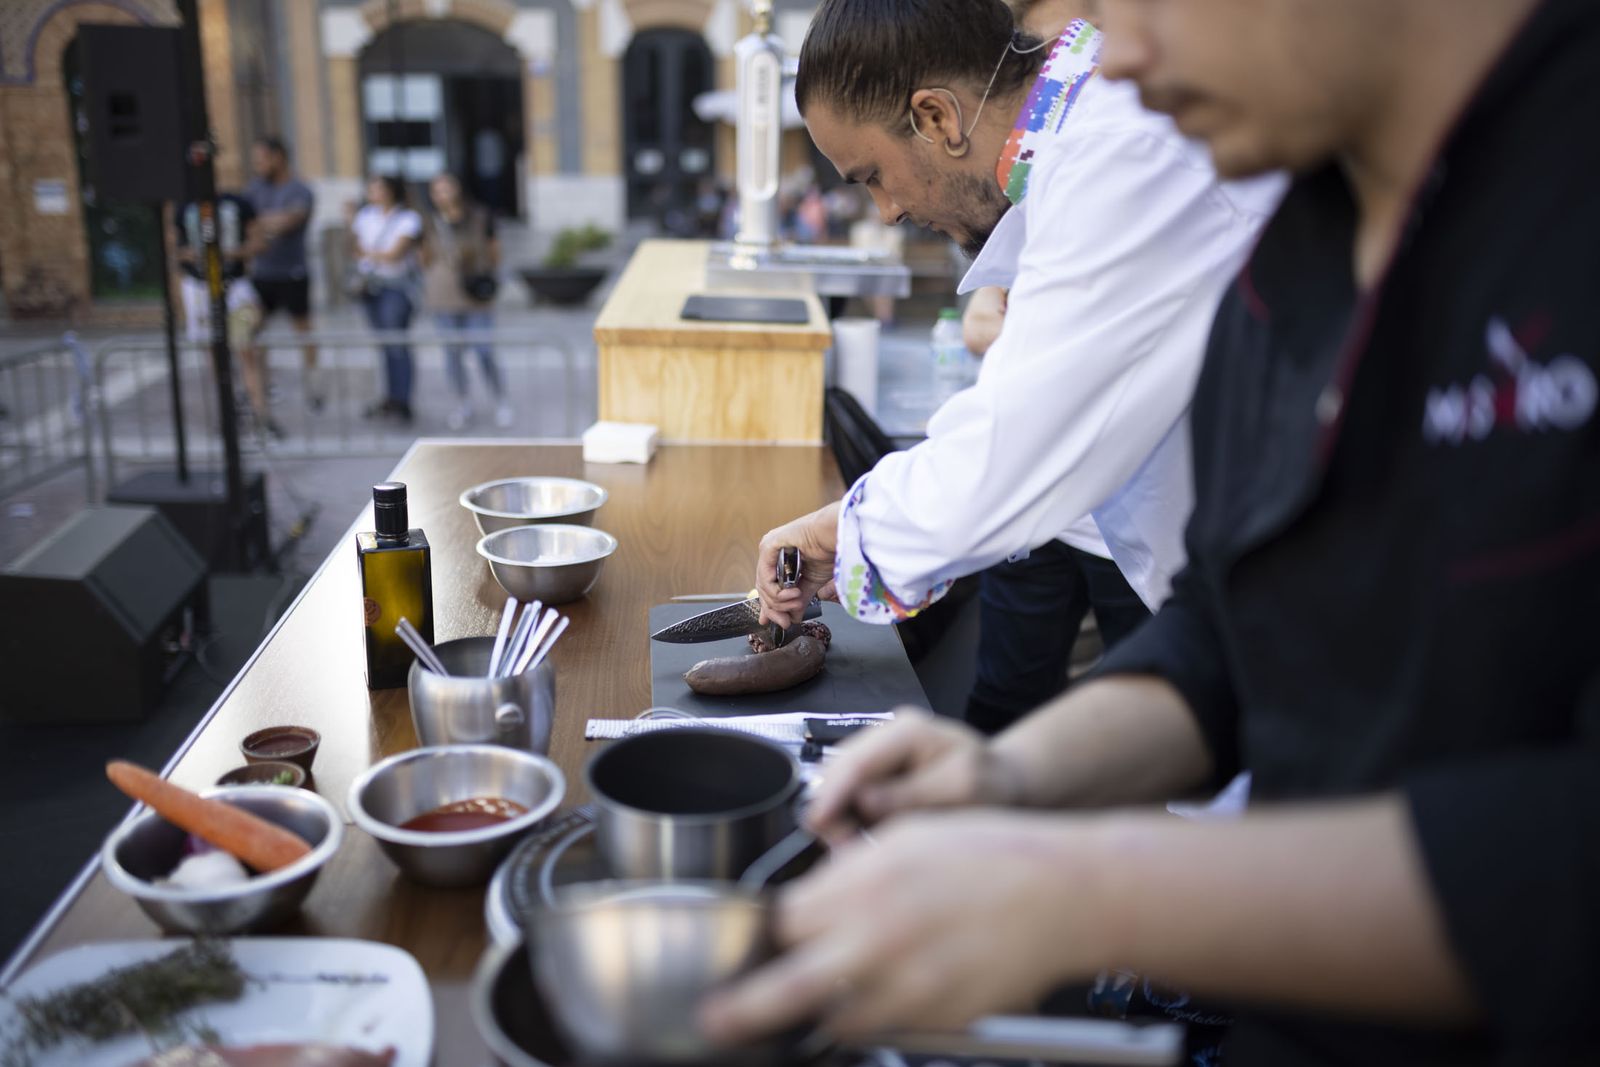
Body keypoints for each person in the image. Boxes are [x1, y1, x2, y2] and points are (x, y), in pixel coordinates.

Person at [704, 0, 1600, 1064]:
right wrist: (1007, 779)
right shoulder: (1300, 222)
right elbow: (1234, 625)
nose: (1110, 54)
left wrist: (1089, 890)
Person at [753, 0, 1281, 723]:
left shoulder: (1120, 157)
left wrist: (836, 534)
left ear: (937, 117)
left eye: (873, 175)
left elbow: (1011, 445)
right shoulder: (1085, 150)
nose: (886, 211)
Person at [173, 193, 274, 438]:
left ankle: (260, 417)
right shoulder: (184, 206)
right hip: (199, 288)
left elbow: (259, 243)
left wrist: (227, 254)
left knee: (247, 351)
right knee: (215, 357)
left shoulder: (237, 203)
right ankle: (230, 414)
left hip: (234, 288)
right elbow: (174, 250)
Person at [422, 173, 512, 431]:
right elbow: (424, 258)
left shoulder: (480, 216)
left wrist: (485, 275)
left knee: (484, 350)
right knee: (452, 354)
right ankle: (462, 403)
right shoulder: (429, 222)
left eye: (447, 189)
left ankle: (500, 399)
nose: (443, 195)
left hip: (475, 292)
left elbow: (495, 251)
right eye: (436, 190)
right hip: (443, 293)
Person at [245, 137, 322, 413]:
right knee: (253, 332)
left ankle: (313, 383)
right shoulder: (254, 188)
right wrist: (268, 222)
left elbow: (292, 220)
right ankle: (262, 386)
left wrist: (262, 222)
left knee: (303, 331)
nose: (258, 165)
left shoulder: (299, 188)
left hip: (292, 273)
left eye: (263, 159)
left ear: (278, 157)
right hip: (262, 273)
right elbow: (247, 221)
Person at [350, 175, 423, 423]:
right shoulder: (365, 216)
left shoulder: (407, 218)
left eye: (379, 188)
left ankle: (403, 400)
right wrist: (375, 254)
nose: (374, 192)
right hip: (371, 287)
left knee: (397, 344)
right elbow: (356, 249)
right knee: (384, 345)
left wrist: (371, 254)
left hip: (396, 287)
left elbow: (394, 255)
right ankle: (391, 397)